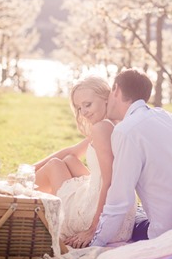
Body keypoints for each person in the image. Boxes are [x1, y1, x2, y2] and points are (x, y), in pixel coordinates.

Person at [90, 68, 172, 247]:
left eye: (111, 92)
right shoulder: (165, 115)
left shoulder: (125, 131)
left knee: (129, 221)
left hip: (167, 233)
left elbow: (120, 201)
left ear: (117, 90)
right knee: (139, 210)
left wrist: (95, 243)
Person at [34, 76, 136, 248]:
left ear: (106, 98)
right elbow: (72, 152)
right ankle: (23, 179)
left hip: (98, 217)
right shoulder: (115, 123)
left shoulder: (101, 128)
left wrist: (94, 229)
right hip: (124, 219)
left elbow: (110, 182)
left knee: (54, 166)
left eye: (87, 105)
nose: (84, 112)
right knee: (69, 160)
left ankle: (15, 195)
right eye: (79, 108)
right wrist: (32, 168)